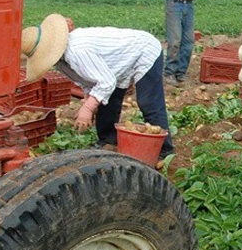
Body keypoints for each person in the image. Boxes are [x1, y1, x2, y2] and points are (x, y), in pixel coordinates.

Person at [20, 14, 175, 164]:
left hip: (143, 50)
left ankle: (165, 151)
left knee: (148, 102)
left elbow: (106, 82)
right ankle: (108, 140)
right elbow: (88, 80)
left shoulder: (76, 51)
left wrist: (88, 108)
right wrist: (89, 100)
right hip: (114, 63)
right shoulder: (61, 62)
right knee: (107, 101)